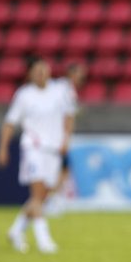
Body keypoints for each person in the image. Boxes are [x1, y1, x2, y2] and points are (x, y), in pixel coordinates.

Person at [0, 56, 75, 253]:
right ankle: (44, 240)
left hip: (53, 149)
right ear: (30, 74)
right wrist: (3, 148)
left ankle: (16, 230)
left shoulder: (59, 91)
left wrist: (66, 138)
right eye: (37, 70)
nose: (42, 73)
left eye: (44, 69)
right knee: (37, 193)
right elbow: (10, 123)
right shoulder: (24, 95)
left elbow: (69, 115)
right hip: (34, 148)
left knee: (42, 196)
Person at [45, 62, 87, 215]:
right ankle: (51, 200)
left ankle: (52, 199)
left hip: (51, 135)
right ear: (71, 74)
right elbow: (66, 116)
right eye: (79, 74)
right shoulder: (65, 90)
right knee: (61, 169)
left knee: (61, 169)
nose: (82, 78)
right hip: (56, 137)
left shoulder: (59, 87)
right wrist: (66, 139)